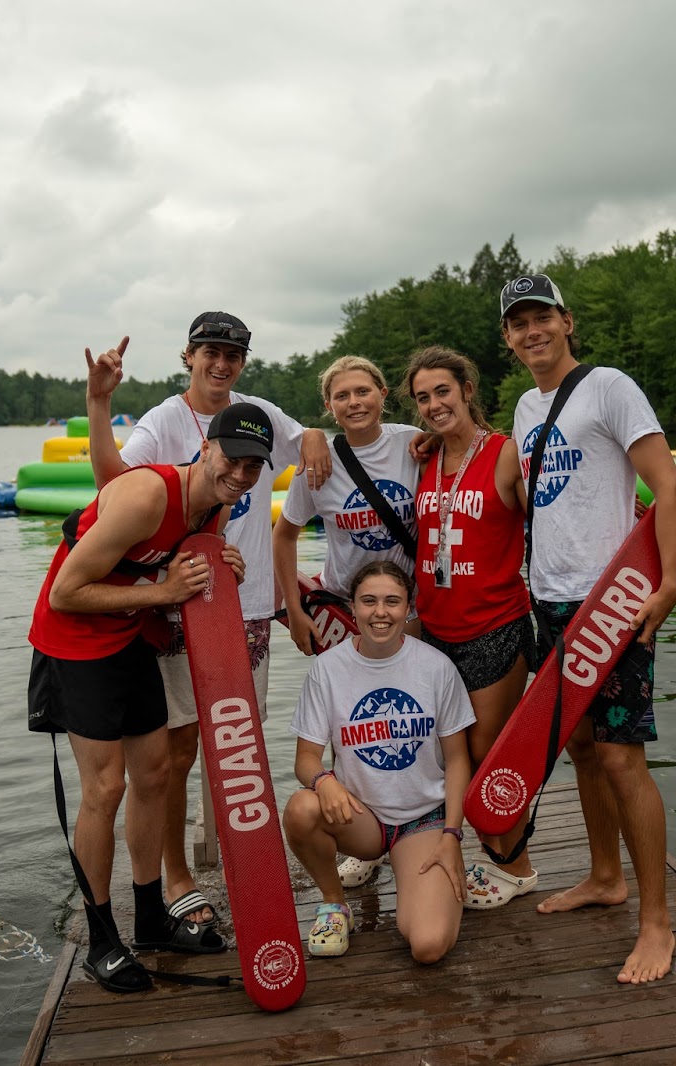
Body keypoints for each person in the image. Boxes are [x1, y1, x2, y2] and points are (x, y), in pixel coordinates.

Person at [84, 315, 331, 946]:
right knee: (176, 752)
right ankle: (174, 873)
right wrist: (100, 402)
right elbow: (114, 485)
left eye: (233, 355)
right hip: (174, 607)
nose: (221, 364)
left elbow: (304, 435)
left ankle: (241, 860)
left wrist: (314, 436)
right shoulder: (166, 421)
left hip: (243, 609)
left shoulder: (259, 412)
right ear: (188, 355)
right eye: (211, 353)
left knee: (237, 744)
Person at [25, 404, 267, 992]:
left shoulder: (219, 502)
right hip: (75, 643)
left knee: (155, 774)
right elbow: (64, 592)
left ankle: (152, 919)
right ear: (205, 445)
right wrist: (164, 589)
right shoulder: (145, 496)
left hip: (131, 635)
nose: (240, 473)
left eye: (254, 465)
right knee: (105, 788)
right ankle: (103, 937)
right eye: (231, 458)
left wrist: (220, 568)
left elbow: (187, 583)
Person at [501, 273, 676, 985]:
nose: (532, 332)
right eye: (518, 324)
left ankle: (656, 922)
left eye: (541, 317)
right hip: (548, 602)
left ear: (567, 320)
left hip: (610, 601)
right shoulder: (524, 407)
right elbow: (526, 488)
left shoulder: (610, 386)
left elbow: (666, 484)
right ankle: (605, 876)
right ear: (509, 339)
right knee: (580, 747)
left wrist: (668, 581)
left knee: (621, 759)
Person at [281, 561, 473, 963]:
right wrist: (323, 780)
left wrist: (452, 835)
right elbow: (305, 759)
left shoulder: (436, 668)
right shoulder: (327, 669)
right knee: (301, 808)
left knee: (428, 946)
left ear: (408, 608)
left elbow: (457, 761)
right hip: (362, 818)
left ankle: (434, 880)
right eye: (368, 601)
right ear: (352, 607)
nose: (380, 612)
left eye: (392, 601)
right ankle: (335, 905)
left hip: (423, 820)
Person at [402, 346, 539, 909]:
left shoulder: (506, 453)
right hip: (436, 630)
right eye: (422, 397)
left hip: (496, 625)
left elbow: (552, 513)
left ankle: (518, 867)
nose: (434, 405)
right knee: (445, 754)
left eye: (443, 391)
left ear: (467, 389)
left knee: (486, 756)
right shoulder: (426, 458)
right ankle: (467, 854)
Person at [273, 355, 420, 656]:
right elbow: (284, 535)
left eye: (363, 391)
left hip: (409, 604)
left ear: (382, 393)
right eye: (342, 396)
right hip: (343, 611)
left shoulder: (413, 443)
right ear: (329, 406)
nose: (354, 402)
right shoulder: (318, 463)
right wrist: (294, 609)